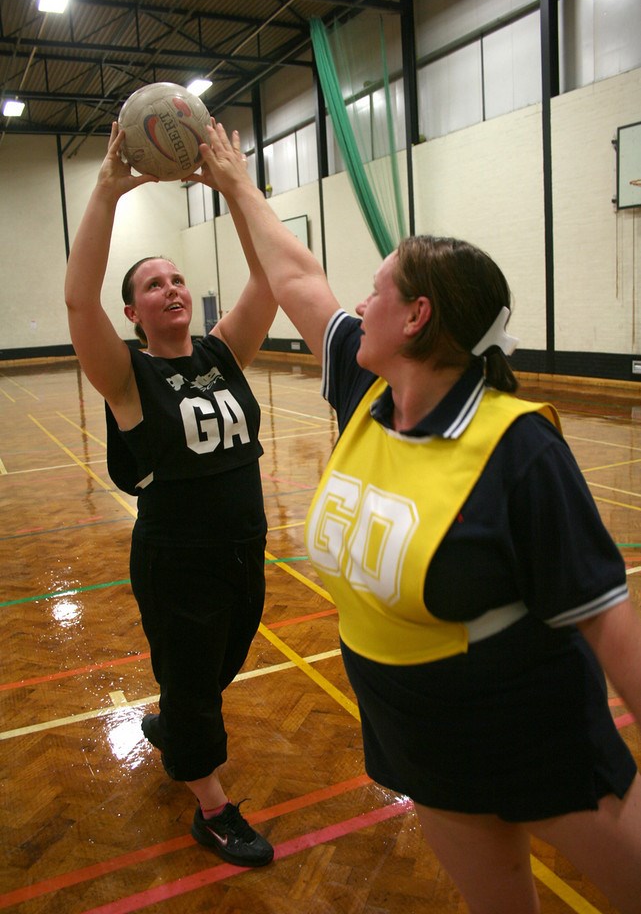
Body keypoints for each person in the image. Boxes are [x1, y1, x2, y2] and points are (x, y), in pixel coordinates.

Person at [197, 121, 641, 912]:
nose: (355, 304)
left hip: (533, 739)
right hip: (419, 736)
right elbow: (295, 273)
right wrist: (234, 183)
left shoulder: (517, 448)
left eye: (374, 291)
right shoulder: (363, 389)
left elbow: (608, 622)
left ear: (416, 318)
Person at [64, 122, 276, 867]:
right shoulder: (127, 376)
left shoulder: (222, 353)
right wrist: (106, 193)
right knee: (193, 687)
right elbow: (78, 303)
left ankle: (177, 720)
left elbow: (268, 280)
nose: (171, 288)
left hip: (243, 552)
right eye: (153, 284)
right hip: (177, 559)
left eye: (176, 278)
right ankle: (211, 808)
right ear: (135, 312)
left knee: (214, 670)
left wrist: (235, 190)